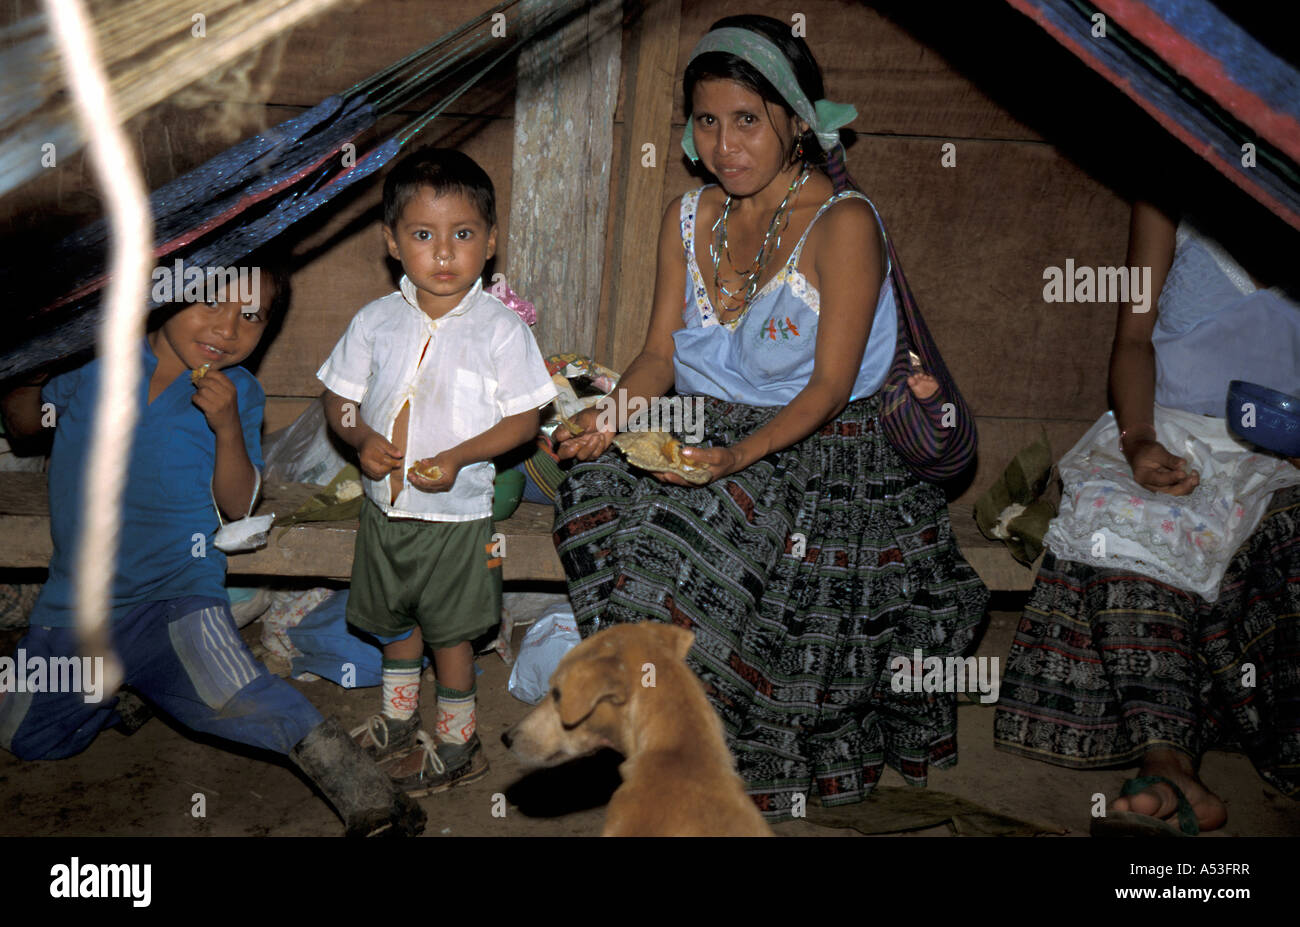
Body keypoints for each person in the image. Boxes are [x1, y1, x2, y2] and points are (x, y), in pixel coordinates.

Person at [552, 15, 989, 819]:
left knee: (693, 527)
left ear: (796, 120)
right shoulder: (687, 218)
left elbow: (826, 388)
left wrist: (733, 457)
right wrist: (608, 419)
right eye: (709, 122)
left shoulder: (844, 223)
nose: (727, 144)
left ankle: (686, 752)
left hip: (821, 447)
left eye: (748, 120)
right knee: (591, 496)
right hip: (708, 426)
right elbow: (656, 354)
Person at [0, 254, 426, 837]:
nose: (227, 330)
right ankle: (132, 693)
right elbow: (25, 423)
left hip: (175, 597)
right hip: (77, 604)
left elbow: (238, 503)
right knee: (25, 736)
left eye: (251, 316)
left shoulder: (239, 393)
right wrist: (31, 354)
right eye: (210, 303)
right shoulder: (94, 365)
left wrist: (227, 427)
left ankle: (370, 796)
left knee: (241, 695)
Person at [994, 198, 1300, 835]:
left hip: (1287, 450)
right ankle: (1166, 763)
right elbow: (1135, 339)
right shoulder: (1171, 194)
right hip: (1173, 430)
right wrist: (1138, 441)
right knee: (1120, 516)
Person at [319, 148, 556, 796]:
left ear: (491, 241)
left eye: (463, 234)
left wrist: (456, 457)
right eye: (424, 235)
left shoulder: (501, 330)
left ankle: (458, 741)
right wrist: (359, 435)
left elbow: (524, 423)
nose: (444, 252)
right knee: (396, 623)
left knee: (450, 633)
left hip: (456, 518)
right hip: (385, 509)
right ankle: (398, 723)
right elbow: (337, 396)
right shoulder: (375, 322)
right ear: (394, 242)